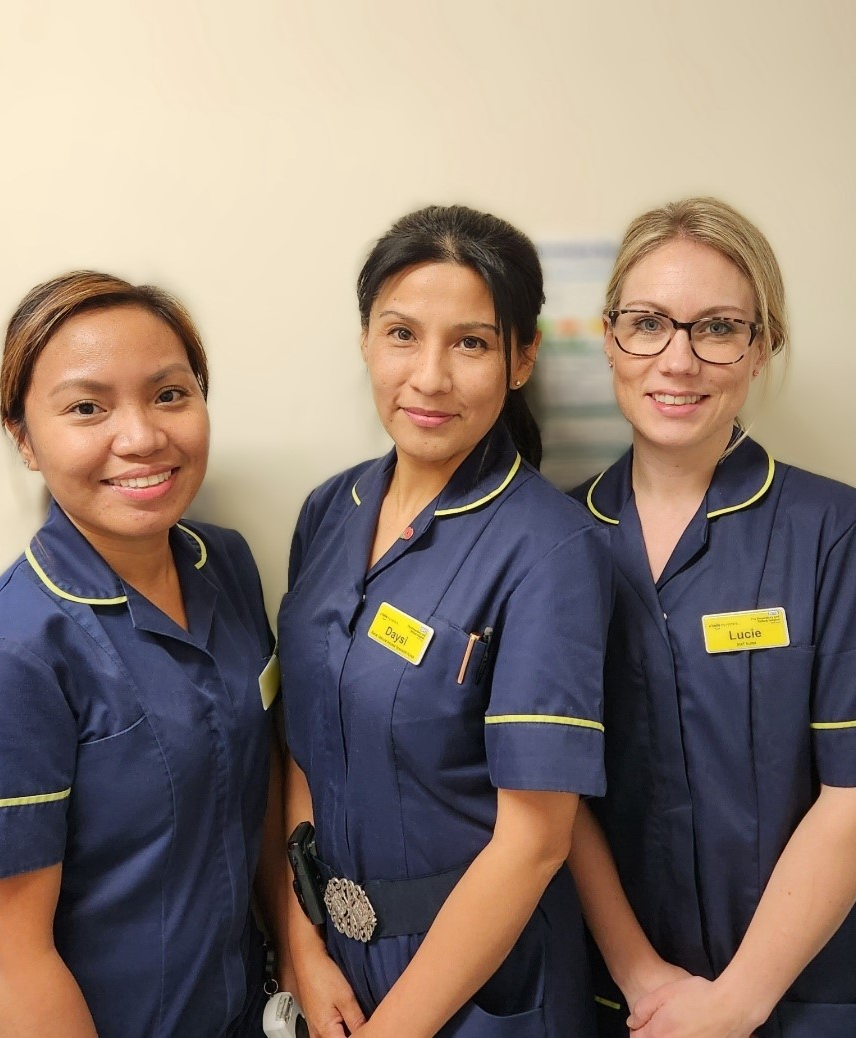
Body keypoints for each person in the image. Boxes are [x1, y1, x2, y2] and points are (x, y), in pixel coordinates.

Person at [0, 272, 287, 1037]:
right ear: (23, 438)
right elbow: (4, 960)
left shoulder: (224, 566)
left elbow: (255, 794)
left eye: (169, 395)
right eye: (87, 408)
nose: (142, 437)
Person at [278, 204, 612, 1038]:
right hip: (336, 965)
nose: (428, 377)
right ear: (365, 340)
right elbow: (302, 743)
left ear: (522, 356)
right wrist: (301, 944)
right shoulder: (332, 509)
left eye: (470, 342)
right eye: (401, 334)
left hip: (480, 984)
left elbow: (535, 841)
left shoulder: (550, 548)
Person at [567, 197, 856, 1037]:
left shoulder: (838, 531)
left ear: (761, 350)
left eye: (717, 328)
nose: (678, 360)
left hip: (805, 1000)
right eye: (647, 323)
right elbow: (552, 789)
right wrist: (643, 980)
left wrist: (734, 1003)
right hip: (624, 999)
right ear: (609, 338)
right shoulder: (553, 540)